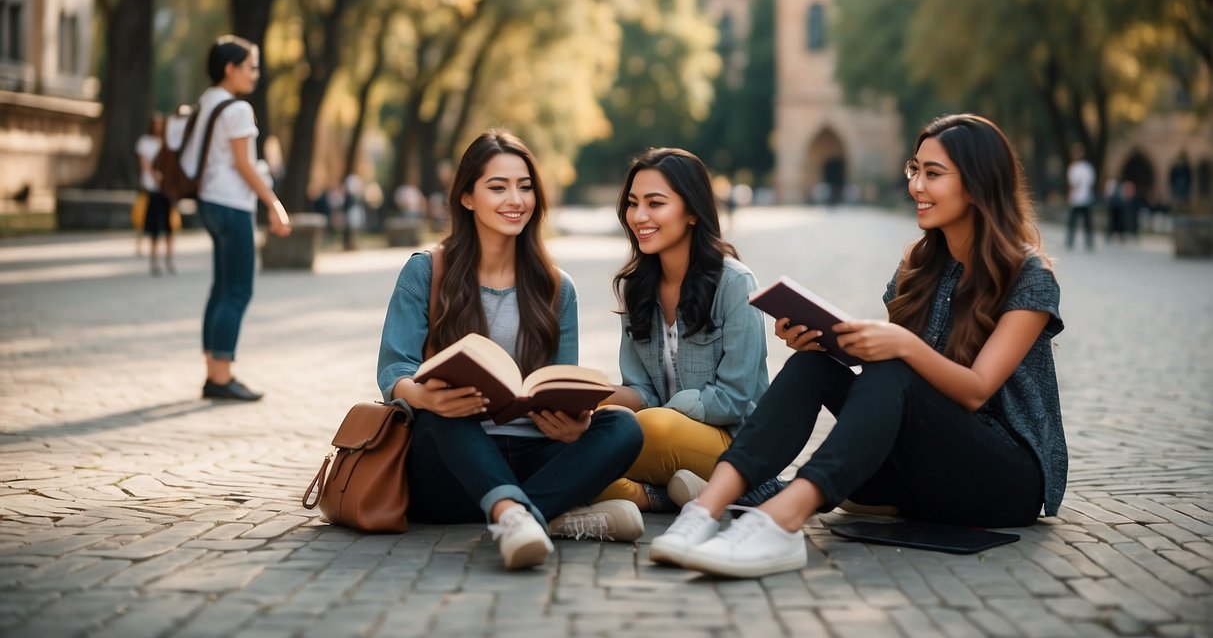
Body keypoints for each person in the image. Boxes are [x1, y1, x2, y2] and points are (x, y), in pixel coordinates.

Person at [651, 114, 1067, 578]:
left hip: (1003, 480)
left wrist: (900, 345)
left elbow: (974, 390)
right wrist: (826, 341)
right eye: (915, 169)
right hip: (920, 468)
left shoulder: (1029, 275)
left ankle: (780, 521)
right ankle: (703, 511)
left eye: (933, 174)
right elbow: (887, 389)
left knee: (896, 367)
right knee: (814, 367)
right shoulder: (921, 266)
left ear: (976, 185)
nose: (915, 186)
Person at [376, 130, 645, 570]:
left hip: (536, 458)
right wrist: (424, 395)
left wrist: (573, 424)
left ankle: (520, 514)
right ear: (467, 197)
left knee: (624, 427)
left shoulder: (559, 288)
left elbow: (561, 381)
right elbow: (394, 370)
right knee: (444, 414)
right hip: (451, 465)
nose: (514, 199)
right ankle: (530, 515)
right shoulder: (427, 271)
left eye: (524, 187)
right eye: (497, 187)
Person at [597, 148, 779, 512]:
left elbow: (736, 398)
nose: (639, 216)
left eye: (655, 203)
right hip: (660, 434)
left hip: (733, 444)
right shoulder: (637, 289)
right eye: (633, 203)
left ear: (692, 212)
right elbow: (642, 391)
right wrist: (594, 399)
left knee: (651, 429)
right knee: (572, 436)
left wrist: (664, 411)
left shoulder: (735, 283)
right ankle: (656, 497)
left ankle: (670, 492)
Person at [186, 35, 292, 402]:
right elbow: (244, 164)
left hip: (209, 202)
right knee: (238, 289)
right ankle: (221, 376)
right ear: (230, 69)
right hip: (232, 204)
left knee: (221, 288)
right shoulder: (237, 109)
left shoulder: (207, 102)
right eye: (251, 67)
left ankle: (213, 371)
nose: (256, 74)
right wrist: (273, 203)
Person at [135, 113, 175, 275]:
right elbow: (144, 162)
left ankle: (169, 258)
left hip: (166, 189)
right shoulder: (145, 142)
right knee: (153, 226)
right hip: (152, 188)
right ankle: (154, 259)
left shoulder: (167, 142)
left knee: (169, 225)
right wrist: (155, 176)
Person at [1065, 142, 1096, 251]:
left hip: (1083, 199)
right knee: (1076, 221)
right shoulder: (1083, 168)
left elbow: (1073, 185)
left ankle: (1087, 242)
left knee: (1084, 222)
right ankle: (1071, 241)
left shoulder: (1078, 168)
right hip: (1078, 199)